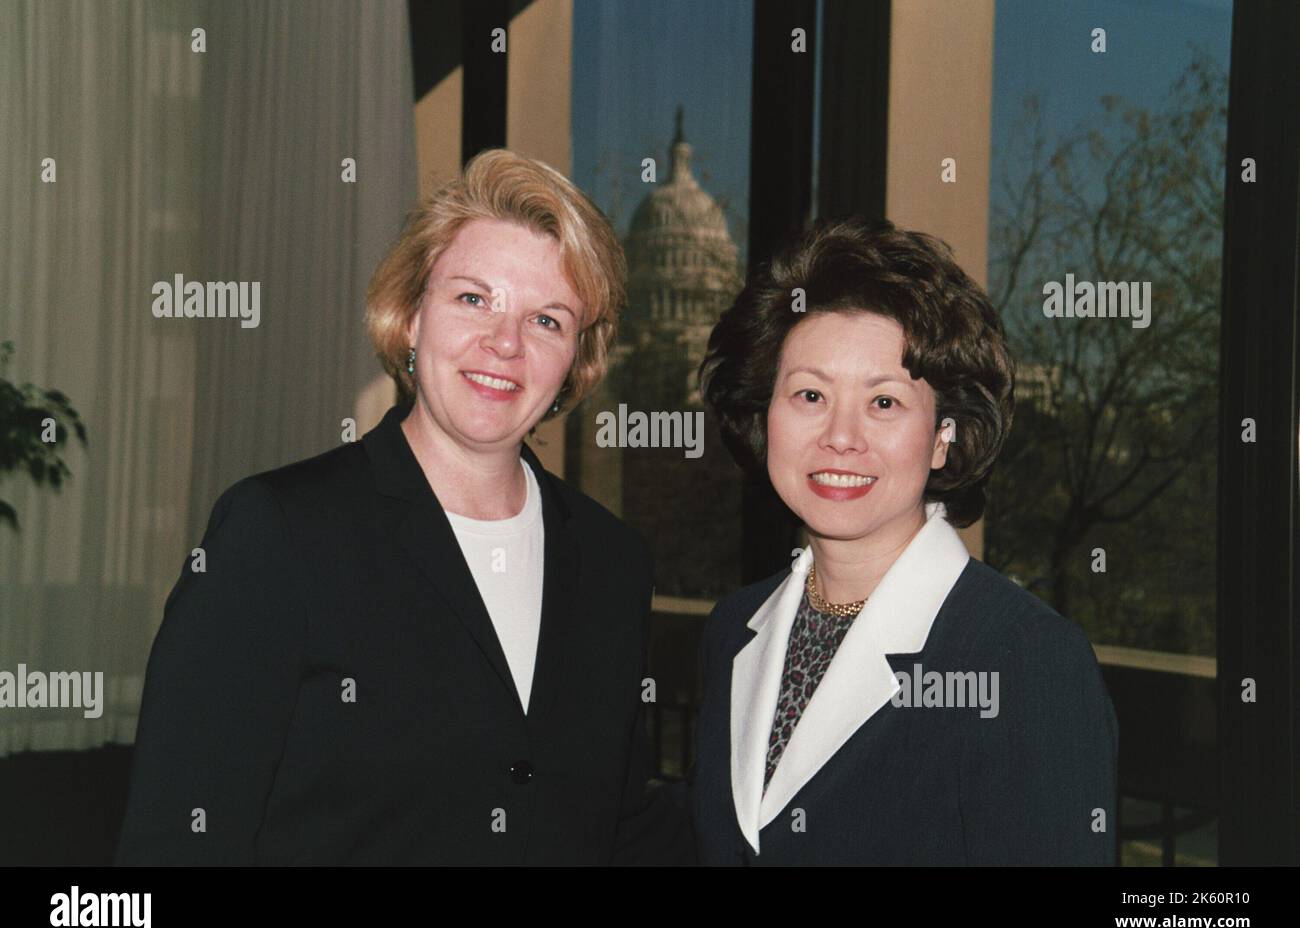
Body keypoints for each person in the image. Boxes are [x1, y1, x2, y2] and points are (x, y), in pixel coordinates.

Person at [116, 149, 693, 865]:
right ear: (411, 317)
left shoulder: (613, 560)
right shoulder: (279, 534)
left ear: (577, 360)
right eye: (473, 298)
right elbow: (179, 843)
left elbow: (621, 824)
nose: (504, 342)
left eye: (546, 320)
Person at [692, 216, 1118, 864]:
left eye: (884, 403)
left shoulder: (1024, 658)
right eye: (810, 394)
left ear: (943, 434)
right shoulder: (731, 632)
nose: (841, 435)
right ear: (764, 415)